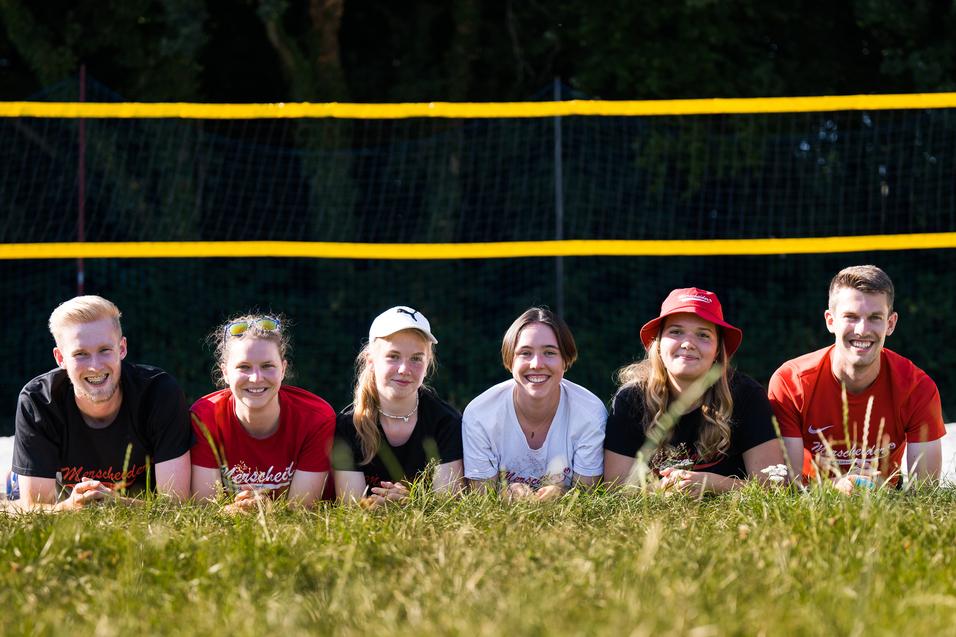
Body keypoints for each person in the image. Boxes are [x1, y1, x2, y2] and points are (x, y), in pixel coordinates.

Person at [768, 265, 945, 491]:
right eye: (851, 317)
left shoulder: (917, 388)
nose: (862, 330)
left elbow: (926, 491)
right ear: (830, 321)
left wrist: (882, 492)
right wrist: (835, 487)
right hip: (810, 500)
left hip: (886, 497)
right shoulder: (791, 382)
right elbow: (787, 486)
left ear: (890, 323)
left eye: (875, 317)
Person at [11, 295, 192, 510]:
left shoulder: (159, 393)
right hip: (64, 496)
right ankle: (15, 474)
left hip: (138, 501)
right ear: (60, 358)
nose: (95, 366)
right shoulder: (38, 401)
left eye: (105, 350)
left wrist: (115, 502)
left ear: (122, 348)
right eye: (80, 354)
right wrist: (70, 507)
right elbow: (35, 509)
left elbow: (176, 504)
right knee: (16, 489)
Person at [604, 288, 785, 494]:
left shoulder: (747, 395)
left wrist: (713, 483)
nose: (688, 343)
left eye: (703, 335)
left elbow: (774, 487)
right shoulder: (631, 398)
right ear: (658, 343)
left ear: (717, 350)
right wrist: (662, 491)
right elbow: (614, 488)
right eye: (676, 332)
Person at [190, 314, 335, 512]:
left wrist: (265, 509)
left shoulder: (316, 418)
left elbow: (301, 510)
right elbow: (205, 509)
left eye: (267, 366)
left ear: (283, 369)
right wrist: (234, 512)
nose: (256, 378)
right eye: (244, 367)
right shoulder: (205, 417)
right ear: (225, 372)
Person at [463, 307, 606, 501]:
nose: (537, 364)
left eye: (549, 352)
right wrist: (505, 494)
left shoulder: (590, 414)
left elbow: (588, 497)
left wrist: (562, 494)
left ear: (565, 360)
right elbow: (481, 499)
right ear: (510, 360)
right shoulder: (480, 415)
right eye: (525, 353)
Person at [334, 306, 463, 508]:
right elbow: (351, 507)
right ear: (371, 361)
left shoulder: (446, 422)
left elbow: (449, 504)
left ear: (428, 364)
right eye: (393, 356)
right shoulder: (348, 425)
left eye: (416, 359)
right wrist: (379, 506)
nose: (404, 369)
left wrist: (410, 503)